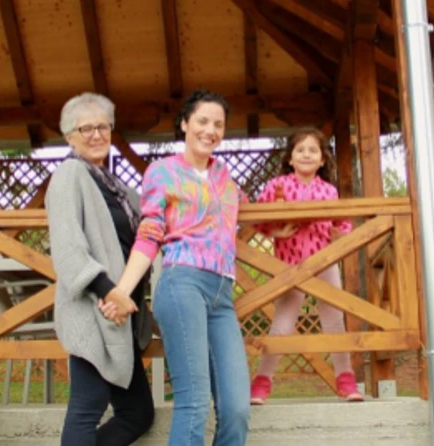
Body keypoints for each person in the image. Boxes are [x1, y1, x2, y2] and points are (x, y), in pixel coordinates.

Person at [101, 89, 251, 446]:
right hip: (182, 284)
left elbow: (238, 212)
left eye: (218, 125)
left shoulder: (224, 177)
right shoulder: (163, 171)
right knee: (194, 403)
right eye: (202, 121)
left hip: (222, 295)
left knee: (236, 409)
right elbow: (150, 233)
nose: (210, 130)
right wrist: (121, 289)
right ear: (184, 123)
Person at [46, 92, 155, 446]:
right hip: (94, 309)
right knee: (87, 405)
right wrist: (110, 293)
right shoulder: (69, 175)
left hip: (118, 313)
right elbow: (68, 248)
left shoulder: (119, 190)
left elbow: (151, 231)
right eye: (86, 128)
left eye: (103, 127)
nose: (96, 135)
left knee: (137, 413)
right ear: (70, 136)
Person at [249, 128, 365, 405]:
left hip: (324, 262)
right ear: (290, 158)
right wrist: (276, 232)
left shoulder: (329, 191)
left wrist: (340, 235)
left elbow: (343, 224)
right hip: (289, 266)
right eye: (300, 150)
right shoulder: (276, 186)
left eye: (313, 150)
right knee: (282, 323)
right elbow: (258, 220)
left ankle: (346, 379)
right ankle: (262, 382)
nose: (306, 155)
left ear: (322, 160)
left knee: (334, 320)